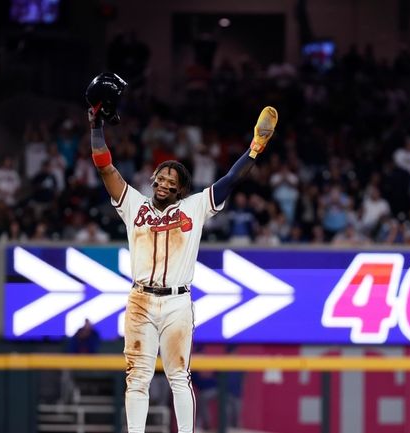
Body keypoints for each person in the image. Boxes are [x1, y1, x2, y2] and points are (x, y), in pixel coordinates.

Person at [85, 71, 278, 433]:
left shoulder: (194, 207)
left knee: (178, 375)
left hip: (177, 301)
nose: (163, 183)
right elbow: (104, 166)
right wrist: (96, 127)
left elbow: (230, 180)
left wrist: (254, 149)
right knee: (137, 376)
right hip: (140, 298)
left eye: (171, 182)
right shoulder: (133, 204)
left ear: (179, 189)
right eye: (160, 178)